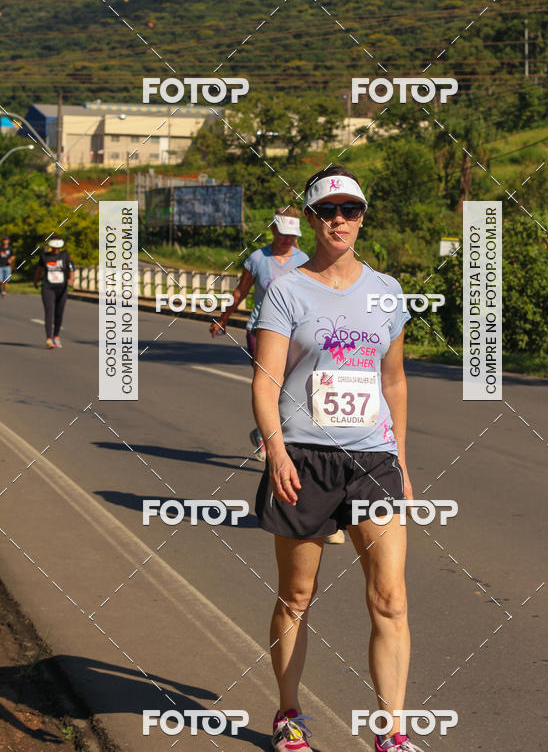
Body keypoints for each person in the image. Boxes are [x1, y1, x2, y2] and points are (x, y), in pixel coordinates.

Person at [252, 166, 422, 752]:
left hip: (372, 457)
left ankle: (391, 730)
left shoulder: (388, 292)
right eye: (328, 212)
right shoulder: (286, 289)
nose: (339, 221)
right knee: (297, 595)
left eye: (350, 210)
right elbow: (266, 378)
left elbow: (393, 381)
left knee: (391, 597)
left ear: (362, 217)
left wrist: (400, 455)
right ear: (312, 219)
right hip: (305, 456)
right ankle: (289, 712)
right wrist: (276, 451)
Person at [209, 207, 309, 462]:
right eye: (283, 234)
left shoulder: (304, 260)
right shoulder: (257, 259)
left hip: (295, 333)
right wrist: (223, 319)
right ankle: (267, 440)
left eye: (292, 235)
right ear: (273, 230)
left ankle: (262, 430)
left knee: (294, 389)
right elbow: (241, 292)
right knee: (270, 386)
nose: (288, 240)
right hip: (261, 330)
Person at [33, 237, 75, 349]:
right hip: (48, 288)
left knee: (59, 313)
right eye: (54, 248)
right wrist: (36, 281)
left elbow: (72, 268)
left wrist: (71, 279)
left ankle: (56, 336)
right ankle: (49, 339)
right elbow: (39, 270)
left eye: (58, 248)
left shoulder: (65, 256)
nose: (56, 250)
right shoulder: (45, 257)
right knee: (49, 312)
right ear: (51, 247)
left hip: (62, 288)